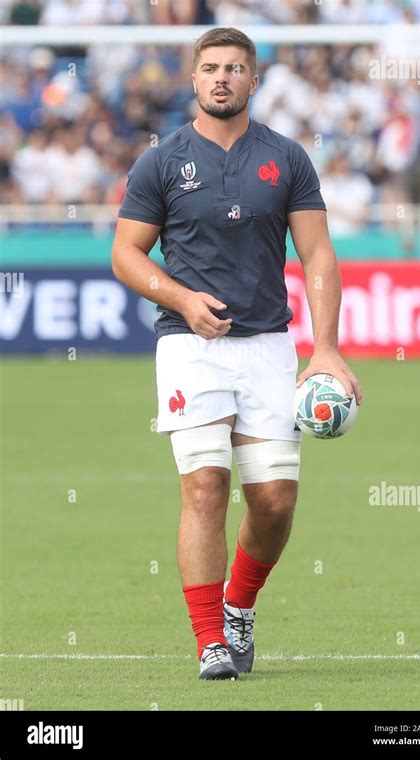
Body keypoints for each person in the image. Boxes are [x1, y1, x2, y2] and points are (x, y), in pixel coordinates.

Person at [112, 27, 362, 681]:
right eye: (211, 68)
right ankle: (209, 641)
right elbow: (126, 254)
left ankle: (240, 606)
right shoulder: (160, 161)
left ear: (254, 81)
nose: (222, 77)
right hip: (189, 348)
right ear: (193, 80)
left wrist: (326, 348)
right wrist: (181, 297)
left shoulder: (287, 158)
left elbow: (317, 255)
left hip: (270, 349)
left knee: (275, 500)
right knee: (205, 486)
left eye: (235, 69)